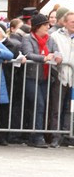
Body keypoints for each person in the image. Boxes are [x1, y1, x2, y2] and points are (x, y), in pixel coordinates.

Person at [20, 12, 61, 147]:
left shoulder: (50, 39)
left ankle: (34, 135)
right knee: (39, 105)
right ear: (37, 27)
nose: (47, 27)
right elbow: (28, 53)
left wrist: (58, 57)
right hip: (31, 77)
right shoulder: (28, 38)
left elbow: (56, 51)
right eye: (45, 25)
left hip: (45, 77)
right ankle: (37, 136)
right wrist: (43, 58)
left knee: (41, 106)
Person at [49, 9, 74, 144]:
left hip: (73, 77)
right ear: (64, 23)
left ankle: (67, 135)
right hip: (60, 75)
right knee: (56, 109)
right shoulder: (55, 36)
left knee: (70, 109)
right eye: (72, 22)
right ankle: (56, 136)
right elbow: (52, 53)